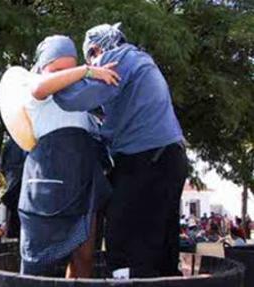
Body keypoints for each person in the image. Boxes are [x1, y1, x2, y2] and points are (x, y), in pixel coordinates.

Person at [44, 23, 188, 277]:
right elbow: (114, 125)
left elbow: (72, 99)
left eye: (89, 58)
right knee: (161, 246)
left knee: (122, 239)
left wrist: (60, 78)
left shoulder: (114, 58)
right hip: (170, 159)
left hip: (146, 161)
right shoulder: (141, 60)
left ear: (96, 50)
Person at [16, 35, 116, 278]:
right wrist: (86, 71)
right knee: (38, 261)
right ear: (42, 68)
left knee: (84, 256)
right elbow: (41, 87)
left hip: (83, 182)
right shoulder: (35, 90)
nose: (66, 76)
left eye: (69, 69)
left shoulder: (81, 101)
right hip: (47, 184)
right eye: (58, 69)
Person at [0, 138, 27, 239]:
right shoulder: (11, 144)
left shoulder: (10, 143)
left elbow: (2, 167)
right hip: (17, 189)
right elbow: (2, 167)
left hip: (16, 187)